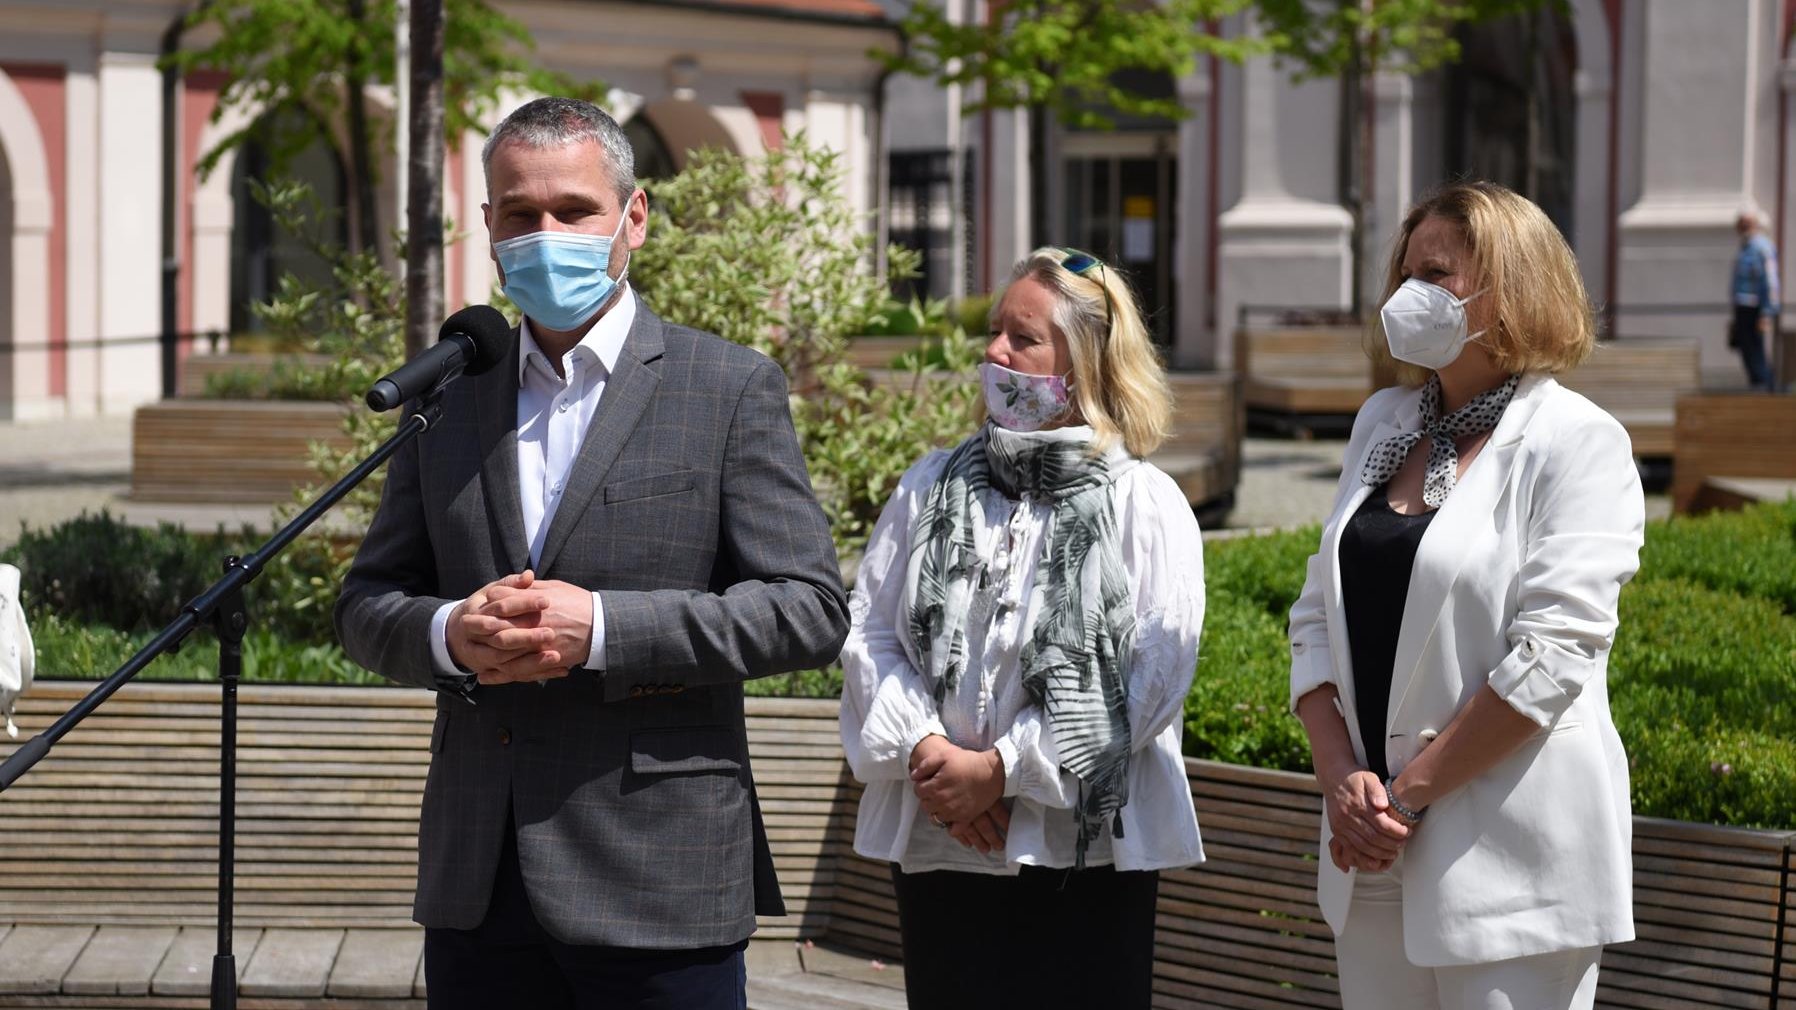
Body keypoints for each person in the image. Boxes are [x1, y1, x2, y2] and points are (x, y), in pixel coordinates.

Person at [334, 97, 850, 1010]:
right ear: (488, 227)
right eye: (521, 214)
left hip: (657, 878)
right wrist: (453, 632)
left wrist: (604, 627)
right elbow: (370, 601)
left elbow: (809, 608)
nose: (547, 235)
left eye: (573, 211)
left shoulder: (726, 386)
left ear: (633, 219)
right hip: (478, 878)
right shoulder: (452, 393)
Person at [1288, 181, 1644, 1010]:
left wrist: (1405, 795)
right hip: (1369, 855)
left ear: (1510, 288)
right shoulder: (1382, 423)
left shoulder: (1577, 442)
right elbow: (1315, 616)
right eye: (1405, 273)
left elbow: (1553, 658)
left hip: (1510, 868)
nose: (1409, 295)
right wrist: (1343, 780)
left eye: (1437, 274)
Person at [839, 248, 1205, 1010]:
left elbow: (1148, 680)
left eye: (1023, 338)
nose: (994, 351)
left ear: (1088, 367)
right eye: (996, 331)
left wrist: (1003, 771)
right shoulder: (930, 485)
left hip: (1083, 855)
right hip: (941, 843)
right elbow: (869, 633)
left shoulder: (1144, 504)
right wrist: (929, 754)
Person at [1730, 209, 1780, 390]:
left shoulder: (1762, 248)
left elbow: (1770, 281)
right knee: (1747, 351)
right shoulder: (1745, 248)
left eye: (1748, 223)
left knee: (1756, 352)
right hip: (1743, 307)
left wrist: (1767, 313)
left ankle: (1766, 389)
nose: (1743, 227)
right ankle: (1758, 387)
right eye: (1741, 223)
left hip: (1755, 308)